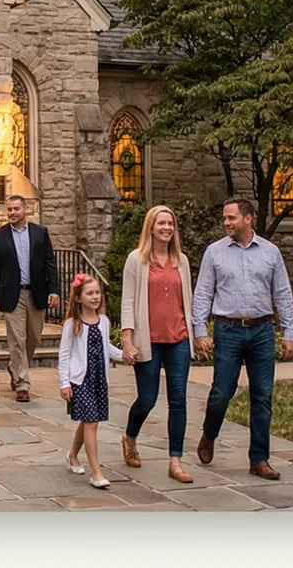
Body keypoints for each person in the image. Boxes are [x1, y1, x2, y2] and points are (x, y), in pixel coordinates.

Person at [191, 196, 293, 478]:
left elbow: (282, 293)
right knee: (221, 392)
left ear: (247, 219)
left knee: (262, 396)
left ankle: (259, 460)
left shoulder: (270, 253)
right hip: (228, 330)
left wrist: (289, 332)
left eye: (231, 218)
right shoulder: (214, 252)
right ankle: (209, 434)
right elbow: (203, 293)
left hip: (262, 331)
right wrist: (199, 331)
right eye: (225, 218)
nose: (226, 222)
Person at [117, 204, 197, 483]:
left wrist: (196, 333)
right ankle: (130, 436)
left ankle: (175, 461)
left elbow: (188, 301)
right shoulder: (136, 260)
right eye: (161, 223)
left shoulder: (181, 261)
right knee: (147, 399)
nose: (166, 228)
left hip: (179, 339)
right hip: (148, 341)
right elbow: (128, 302)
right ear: (150, 228)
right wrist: (127, 340)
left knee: (178, 399)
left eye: (170, 223)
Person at [0, 194, 59, 402]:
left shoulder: (40, 233)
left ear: (26, 210)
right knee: (17, 339)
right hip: (11, 295)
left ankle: (14, 367)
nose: (12, 213)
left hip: (36, 293)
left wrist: (54, 290)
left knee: (33, 336)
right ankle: (22, 384)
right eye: (9, 209)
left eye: (16, 209)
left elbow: (50, 263)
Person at [57, 272, 116, 489]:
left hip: (98, 379)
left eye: (97, 293)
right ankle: (96, 472)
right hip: (80, 380)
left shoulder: (104, 322)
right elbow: (64, 354)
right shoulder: (72, 324)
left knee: (88, 420)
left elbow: (106, 347)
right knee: (91, 422)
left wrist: (126, 355)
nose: (95, 297)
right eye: (89, 293)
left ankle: (73, 454)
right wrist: (64, 382)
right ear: (79, 298)